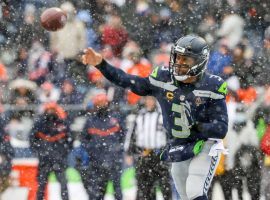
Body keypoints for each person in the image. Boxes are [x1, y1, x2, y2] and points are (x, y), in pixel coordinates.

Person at [82, 35, 228, 200]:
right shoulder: (163, 78)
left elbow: (221, 128)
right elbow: (128, 81)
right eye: (177, 57)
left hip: (204, 144)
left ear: (199, 62)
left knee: (195, 190)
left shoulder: (212, 85)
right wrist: (101, 64)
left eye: (185, 59)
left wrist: (197, 128)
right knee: (186, 196)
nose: (179, 62)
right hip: (179, 144)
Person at [125, 96, 172, 199]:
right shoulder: (139, 116)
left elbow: (169, 136)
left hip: (159, 155)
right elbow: (132, 135)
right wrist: (129, 152)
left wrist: (169, 151)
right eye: (148, 100)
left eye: (152, 100)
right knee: (145, 187)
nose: (150, 102)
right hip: (144, 154)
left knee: (165, 186)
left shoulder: (162, 116)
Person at [80, 92, 125, 200]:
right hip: (96, 163)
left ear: (108, 103)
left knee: (118, 192)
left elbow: (124, 137)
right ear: (95, 105)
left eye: (104, 102)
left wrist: (117, 150)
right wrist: (92, 150)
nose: (102, 105)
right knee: (96, 194)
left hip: (114, 161)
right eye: (99, 103)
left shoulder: (116, 119)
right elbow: (83, 140)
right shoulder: (90, 121)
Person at [30, 102, 72, 200]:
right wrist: (39, 152)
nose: (50, 112)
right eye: (48, 110)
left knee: (63, 186)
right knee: (41, 187)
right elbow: (32, 140)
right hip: (44, 160)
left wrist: (63, 153)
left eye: (52, 110)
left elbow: (70, 140)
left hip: (59, 160)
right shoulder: (39, 124)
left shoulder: (62, 123)